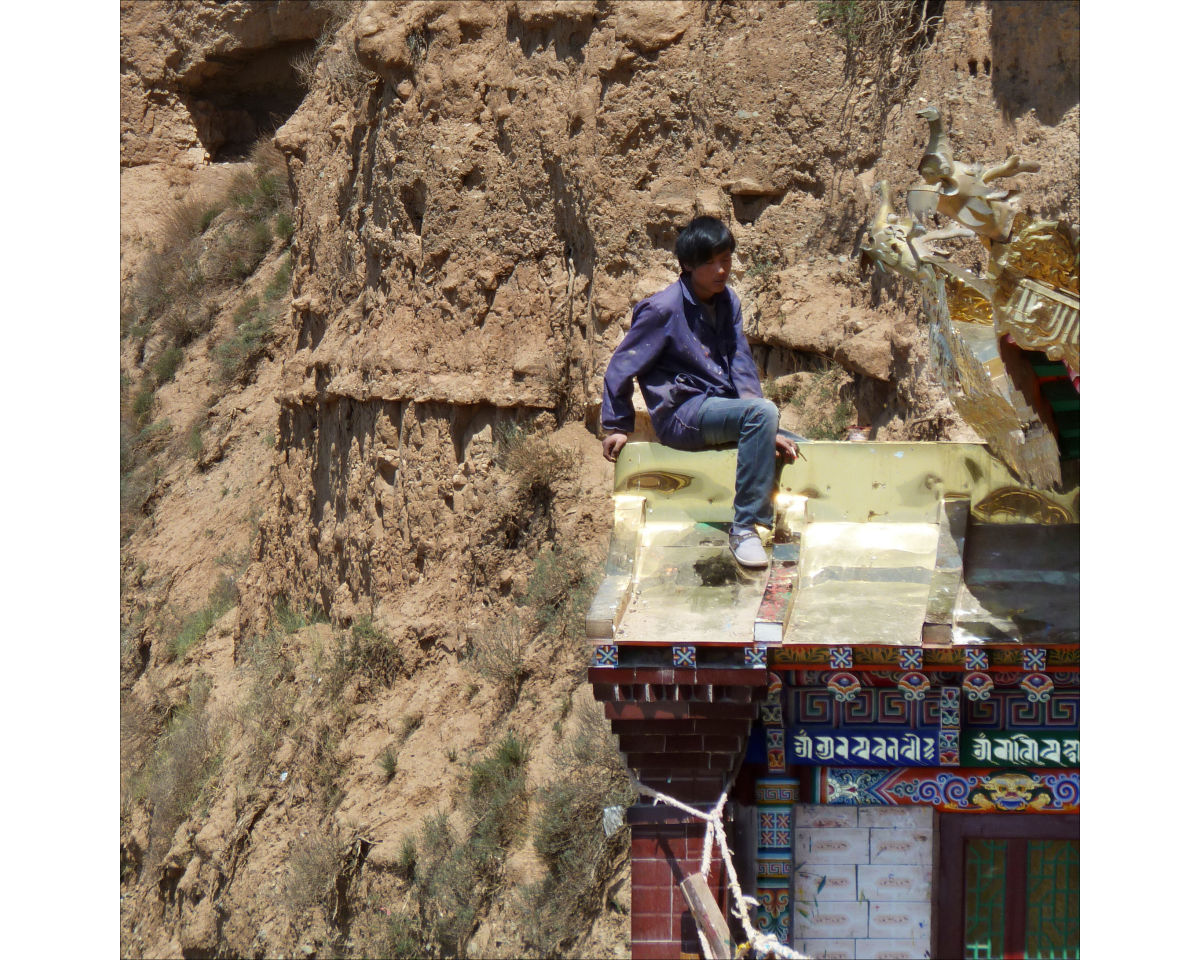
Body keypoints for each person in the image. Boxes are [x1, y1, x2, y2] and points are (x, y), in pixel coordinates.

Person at [600, 216, 800, 569]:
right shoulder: (663, 309)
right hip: (681, 413)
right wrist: (618, 424)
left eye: (725, 260)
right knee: (763, 414)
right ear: (688, 264)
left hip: (717, 407)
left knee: (793, 439)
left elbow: (741, 364)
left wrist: (767, 428)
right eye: (710, 262)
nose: (721, 270)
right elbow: (621, 365)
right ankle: (745, 528)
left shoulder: (727, 302)